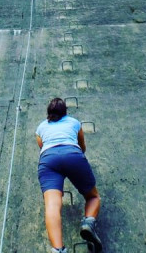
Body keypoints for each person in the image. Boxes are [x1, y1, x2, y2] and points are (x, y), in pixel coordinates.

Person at [35, 97, 102, 253]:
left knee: (52, 205)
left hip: (48, 160)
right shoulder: (74, 122)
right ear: (65, 112)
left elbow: (42, 147)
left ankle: (58, 250)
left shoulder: (41, 128)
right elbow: (82, 146)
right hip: (73, 154)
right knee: (93, 197)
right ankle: (88, 222)